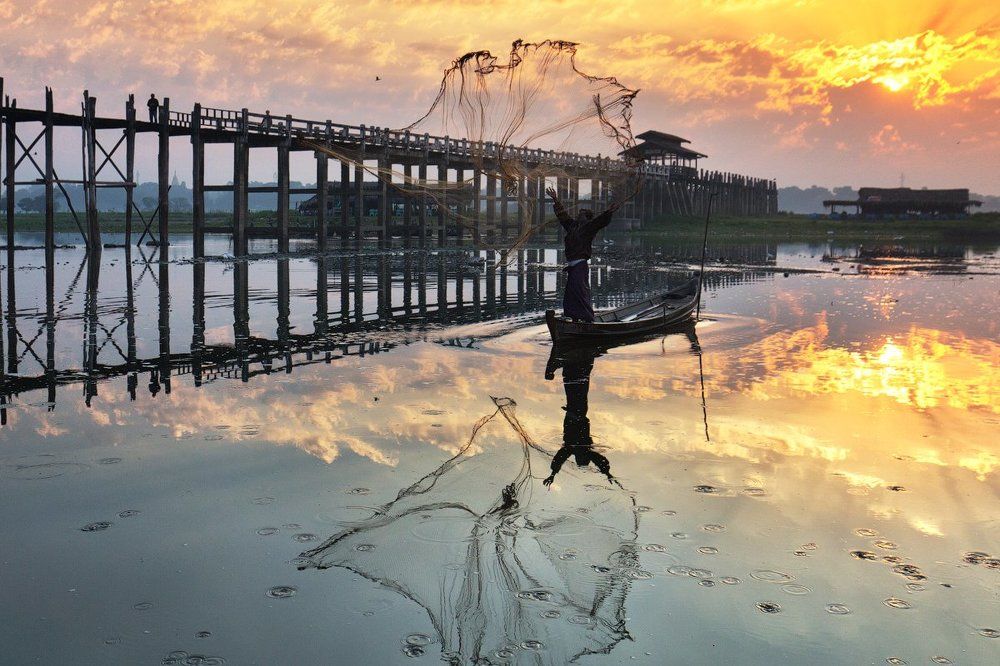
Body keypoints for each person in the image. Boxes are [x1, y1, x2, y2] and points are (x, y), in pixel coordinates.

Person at [542, 344, 616, 487]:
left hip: (575, 412)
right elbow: (600, 461)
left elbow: (560, 460)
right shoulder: (578, 450)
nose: (583, 454)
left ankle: (577, 358)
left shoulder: (570, 449)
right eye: (584, 456)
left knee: (577, 383)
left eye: (581, 456)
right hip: (578, 412)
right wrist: (607, 473)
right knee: (578, 383)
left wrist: (553, 474)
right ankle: (579, 357)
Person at [546, 185, 621, 322]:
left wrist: (609, 212)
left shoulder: (589, 228)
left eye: (582, 214)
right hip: (573, 267)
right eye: (579, 214)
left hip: (580, 266)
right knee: (570, 294)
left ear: (586, 218)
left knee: (580, 293)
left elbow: (600, 221)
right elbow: (562, 215)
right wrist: (555, 199)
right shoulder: (572, 225)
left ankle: (587, 319)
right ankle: (572, 318)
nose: (579, 215)